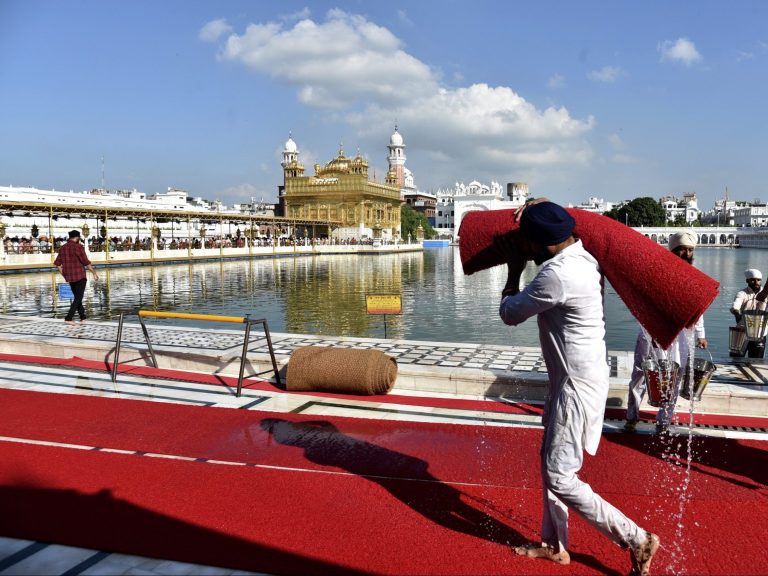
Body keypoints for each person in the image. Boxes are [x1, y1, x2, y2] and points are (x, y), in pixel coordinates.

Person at [497, 201, 659, 575]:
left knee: (559, 475)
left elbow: (508, 314)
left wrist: (513, 271)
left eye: (529, 243)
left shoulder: (557, 275)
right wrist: (536, 207)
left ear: (541, 245)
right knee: (549, 461)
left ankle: (637, 538)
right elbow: (550, 220)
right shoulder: (582, 256)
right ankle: (555, 545)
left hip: (575, 387)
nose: (527, 249)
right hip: (575, 380)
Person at [624, 231, 707, 435]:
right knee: (640, 375)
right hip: (651, 332)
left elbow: (698, 308)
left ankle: (663, 422)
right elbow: (644, 305)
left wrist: (701, 334)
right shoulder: (657, 272)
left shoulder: (694, 275)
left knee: (674, 376)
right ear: (673, 250)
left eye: (690, 250)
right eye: (682, 250)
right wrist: (652, 331)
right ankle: (632, 416)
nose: (687, 254)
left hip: (681, 336)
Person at [53, 229, 99, 324]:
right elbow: (86, 262)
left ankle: (83, 317)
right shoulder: (78, 247)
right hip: (80, 276)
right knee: (78, 298)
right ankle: (68, 318)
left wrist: (64, 274)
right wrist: (94, 273)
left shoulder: (62, 248)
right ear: (77, 237)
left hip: (70, 277)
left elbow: (57, 264)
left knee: (77, 297)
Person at [730, 268, 766, 358]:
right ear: (747, 281)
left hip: (760, 332)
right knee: (735, 361)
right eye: (753, 280)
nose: (756, 282)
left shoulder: (765, 294)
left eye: (758, 280)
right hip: (742, 330)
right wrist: (737, 313)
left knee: (756, 362)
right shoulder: (742, 293)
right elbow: (735, 306)